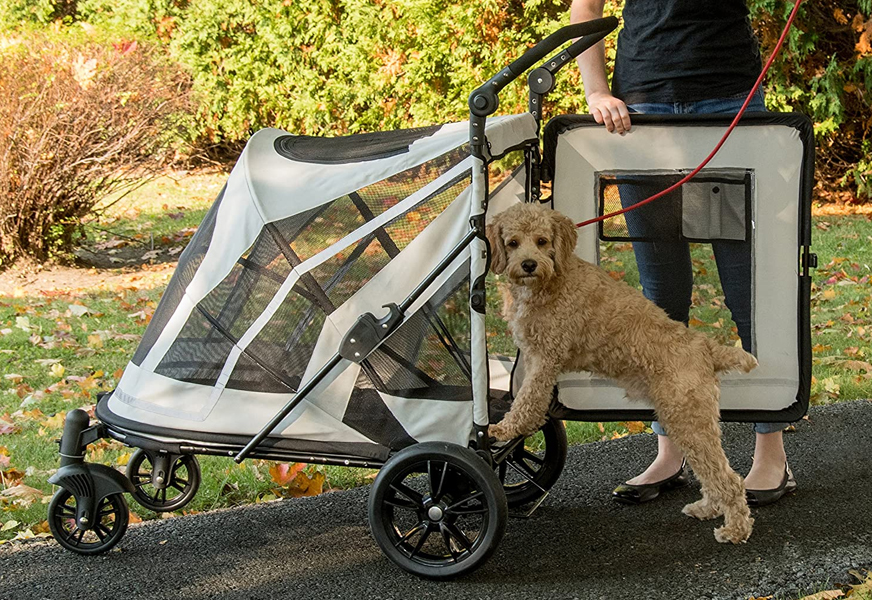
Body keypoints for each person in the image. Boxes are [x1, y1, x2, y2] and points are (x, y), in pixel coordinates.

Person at [570, 0, 796, 506]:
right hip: (640, 113)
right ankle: (669, 452)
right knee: (661, 300)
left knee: (749, 291)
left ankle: (770, 457)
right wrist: (596, 89)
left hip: (730, 106)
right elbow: (585, 6)